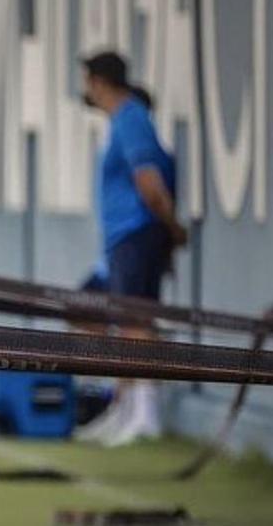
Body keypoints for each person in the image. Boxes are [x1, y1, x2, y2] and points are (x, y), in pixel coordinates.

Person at [73, 52, 184, 447]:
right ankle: (126, 404)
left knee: (137, 324)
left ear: (101, 82)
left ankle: (145, 412)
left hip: (136, 234)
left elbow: (150, 184)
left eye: (88, 79)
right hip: (125, 239)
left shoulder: (132, 117)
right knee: (120, 322)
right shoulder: (122, 121)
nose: (85, 87)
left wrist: (171, 228)